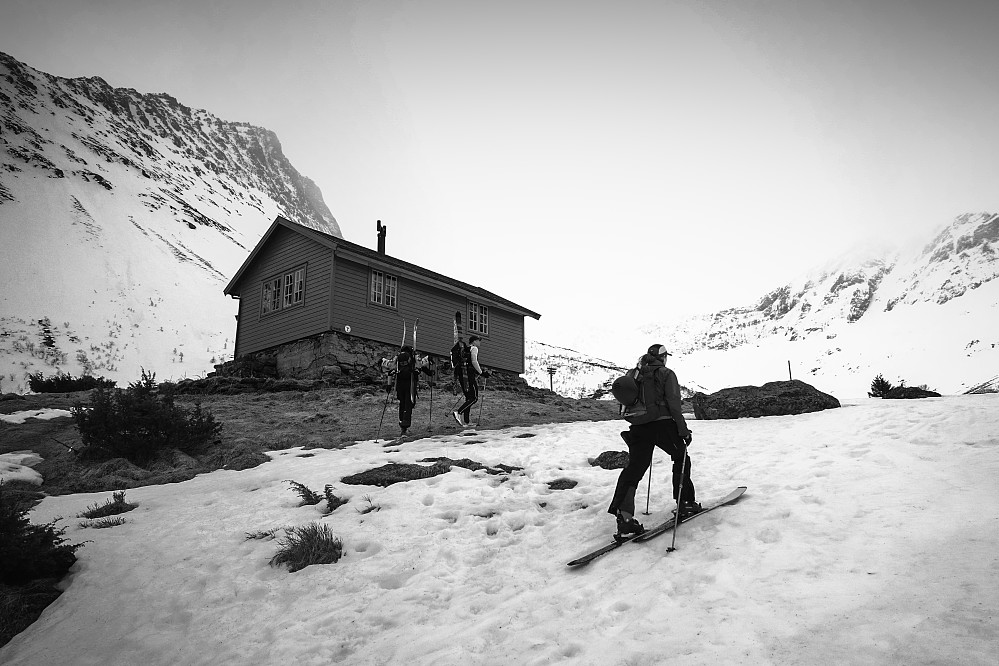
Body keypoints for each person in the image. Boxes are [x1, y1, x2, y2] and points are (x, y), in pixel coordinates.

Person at [608, 344, 698, 538]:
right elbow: (674, 405)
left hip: (639, 426)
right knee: (681, 458)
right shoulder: (666, 373)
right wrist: (683, 431)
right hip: (663, 425)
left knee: (635, 468)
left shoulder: (635, 373)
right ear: (663, 357)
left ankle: (624, 519)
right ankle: (685, 503)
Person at [382, 345, 434, 437]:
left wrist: (389, 385)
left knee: (402, 403)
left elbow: (390, 369)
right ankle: (405, 426)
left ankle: (402, 426)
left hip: (400, 385)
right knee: (409, 404)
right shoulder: (413, 358)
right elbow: (421, 365)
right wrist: (430, 372)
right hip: (410, 384)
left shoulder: (397, 358)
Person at [453, 335, 490, 426]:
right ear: (473, 341)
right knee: (474, 398)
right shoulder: (474, 349)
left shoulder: (465, 350)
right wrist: (481, 373)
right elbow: (474, 362)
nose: (479, 342)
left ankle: (467, 421)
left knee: (468, 398)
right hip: (469, 377)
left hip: (463, 375)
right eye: (478, 340)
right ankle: (459, 412)